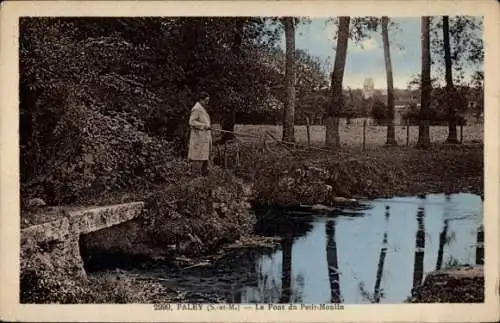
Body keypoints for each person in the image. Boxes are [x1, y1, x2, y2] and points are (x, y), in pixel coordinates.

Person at [188, 91, 212, 176]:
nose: (207, 103)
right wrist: (204, 126)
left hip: (203, 139)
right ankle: (195, 182)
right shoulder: (196, 109)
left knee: (204, 159)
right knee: (198, 160)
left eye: (208, 101)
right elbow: (191, 122)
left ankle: (203, 183)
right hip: (198, 140)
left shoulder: (202, 109)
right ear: (201, 100)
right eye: (205, 101)